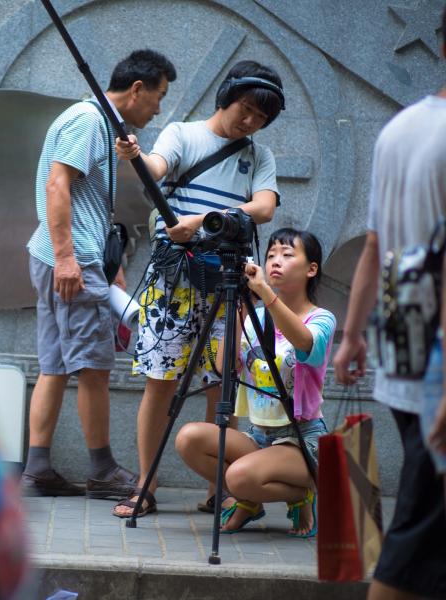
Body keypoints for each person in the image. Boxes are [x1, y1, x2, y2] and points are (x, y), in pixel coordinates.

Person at [112, 60, 283, 518]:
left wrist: (206, 222)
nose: (250, 122)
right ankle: (144, 485)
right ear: (226, 97)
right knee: (159, 384)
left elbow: (264, 207)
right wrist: (136, 158)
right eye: (245, 110)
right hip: (175, 284)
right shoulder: (182, 134)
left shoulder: (260, 157)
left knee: (221, 385)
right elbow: (156, 165)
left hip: (229, 282)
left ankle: (218, 488)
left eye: (261, 118)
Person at [23, 49, 177, 498]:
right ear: (136, 90)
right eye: (159, 96)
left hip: (67, 258)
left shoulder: (98, 123)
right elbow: (58, 184)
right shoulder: (89, 120)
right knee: (93, 367)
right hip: (71, 261)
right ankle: (103, 470)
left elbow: (85, 201)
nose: (159, 107)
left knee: (54, 366)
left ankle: (37, 468)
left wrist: (110, 269)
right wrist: (70, 258)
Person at [333, 7, 446, 598]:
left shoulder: (400, 129)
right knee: (418, 526)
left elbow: (375, 245)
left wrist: (352, 337)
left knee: (424, 521)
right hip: (437, 356)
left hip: (401, 336)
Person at [175, 229, 334, 536]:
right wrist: (240, 305)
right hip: (259, 436)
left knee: (236, 478)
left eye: (288, 255)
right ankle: (252, 499)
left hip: (303, 441)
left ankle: (302, 492)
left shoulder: (322, 319)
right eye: (271, 255)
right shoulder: (254, 316)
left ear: (311, 269)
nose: (276, 261)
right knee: (188, 439)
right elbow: (224, 367)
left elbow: (304, 345)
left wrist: (265, 293)